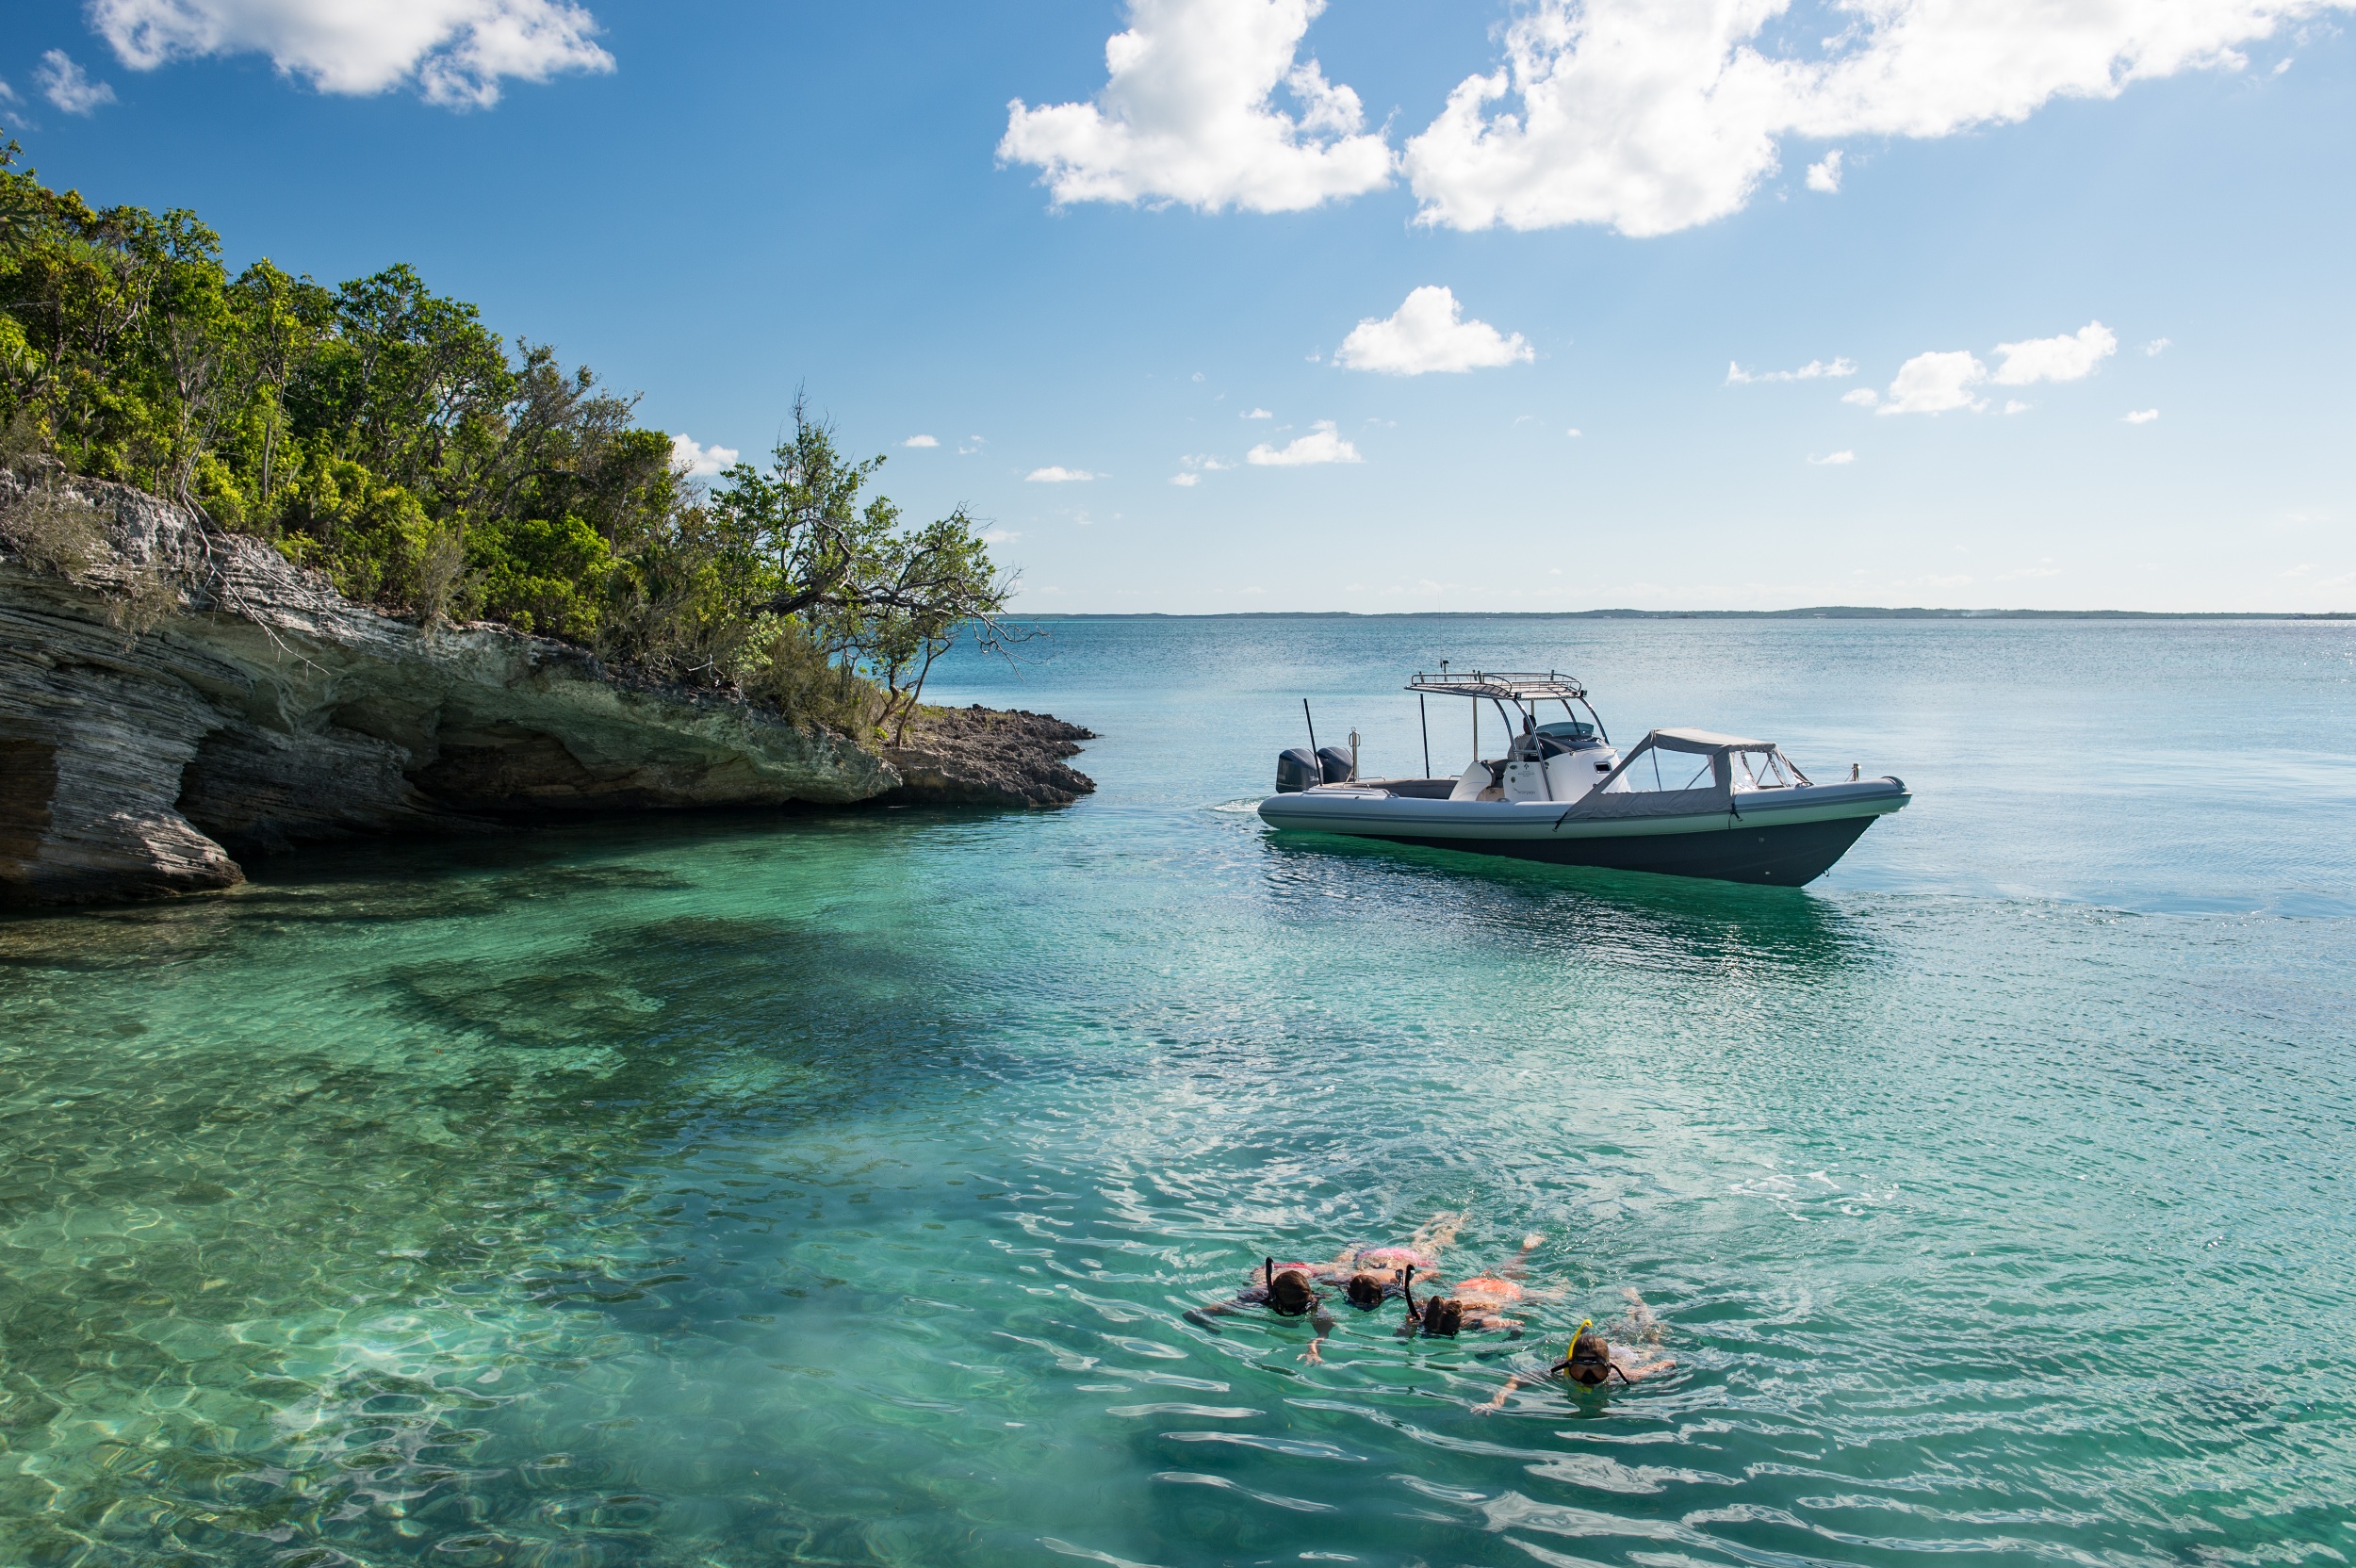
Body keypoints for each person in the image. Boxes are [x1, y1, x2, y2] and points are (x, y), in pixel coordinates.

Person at [1483, 1293, 1677, 1406]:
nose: (1589, 1379)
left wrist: (1666, 1375)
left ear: (1608, 1369)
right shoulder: (1561, 1373)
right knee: (1621, 1330)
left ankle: (1638, 1303)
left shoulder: (1623, 1374)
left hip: (1626, 1354)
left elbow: (1664, 1364)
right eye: (1580, 1371)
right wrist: (1498, 1399)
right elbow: (1518, 1379)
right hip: (1605, 1351)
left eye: (1597, 1372)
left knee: (1652, 1343)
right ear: (1570, 1366)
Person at [1186, 1258, 1338, 1363]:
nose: (1298, 1309)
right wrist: (1206, 1325)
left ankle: (1354, 1248)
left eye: (1300, 1305)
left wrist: (1314, 1345)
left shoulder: (1309, 1300)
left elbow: (1324, 1329)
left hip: (1306, 1271)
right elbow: (1191, 1314)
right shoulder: (1253, 1298)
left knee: (1340, 1266)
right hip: (1267, 1271)